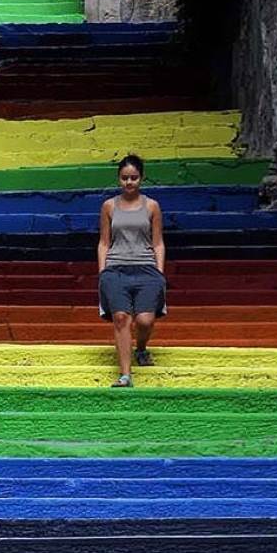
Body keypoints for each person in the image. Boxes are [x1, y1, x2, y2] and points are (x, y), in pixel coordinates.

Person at [98, 155, 167, 388]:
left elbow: (158, 242)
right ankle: (125, 374)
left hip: (146, 267)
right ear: (119, 179)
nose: (129, 182)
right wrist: (102, 271)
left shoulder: (152, 206)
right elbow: (104, 242)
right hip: (116, 268)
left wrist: (159, 271)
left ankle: (142, 347)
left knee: (145, 320)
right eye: (125, 178)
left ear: (142, 178)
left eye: (134, 178)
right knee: (121, 318)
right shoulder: (109, 206)